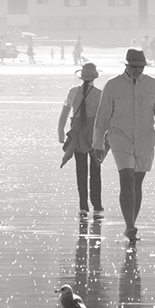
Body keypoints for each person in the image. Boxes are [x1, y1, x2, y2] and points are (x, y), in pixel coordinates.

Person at [93, 49, 155, 244]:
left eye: (141, 67)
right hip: (120, 137)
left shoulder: (152, 85)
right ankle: (130, 226)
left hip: (145, 139)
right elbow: (103, 115)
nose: (138, 70)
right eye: (134, 67)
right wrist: (98, 144)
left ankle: (131, 222)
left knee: (137, 183)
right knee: (127, 179)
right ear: (127, 66)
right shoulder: (113, 86)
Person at [58, 62, 104, 215]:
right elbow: (103, 118)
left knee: (81, 169)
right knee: (96, 170)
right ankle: (97, 206)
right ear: (94, 77)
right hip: (94, 134)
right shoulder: (99, 94)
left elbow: (64, 114)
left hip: (78, 132)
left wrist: (60, 132)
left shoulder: (73, 92)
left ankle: (83, 206)